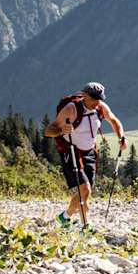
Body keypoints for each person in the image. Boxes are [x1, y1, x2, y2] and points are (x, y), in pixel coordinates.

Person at [43, 82, 127, 231]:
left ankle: (65, 217)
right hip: (71, 151)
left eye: (99, 99)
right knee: (85, 189)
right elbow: (48, 131)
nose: (97, 102)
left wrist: (121, 137)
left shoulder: (100, 107)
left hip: (90, 151)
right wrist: (62, 130)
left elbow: (114, 121)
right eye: (94, 99)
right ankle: (85, 226)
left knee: (85, 191)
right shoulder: (71, 109)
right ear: (85, 96)